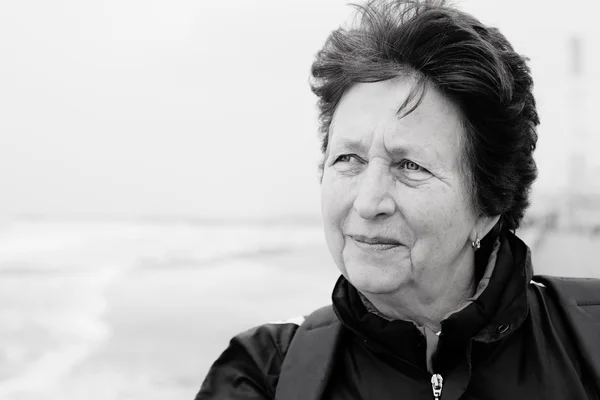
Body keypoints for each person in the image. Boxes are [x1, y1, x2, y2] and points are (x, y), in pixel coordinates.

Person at [195, 1, 600, 399]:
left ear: (489, 203)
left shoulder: (589, 339)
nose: (369, 203)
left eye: (409, 166)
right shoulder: (264, 374)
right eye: (348, 159)